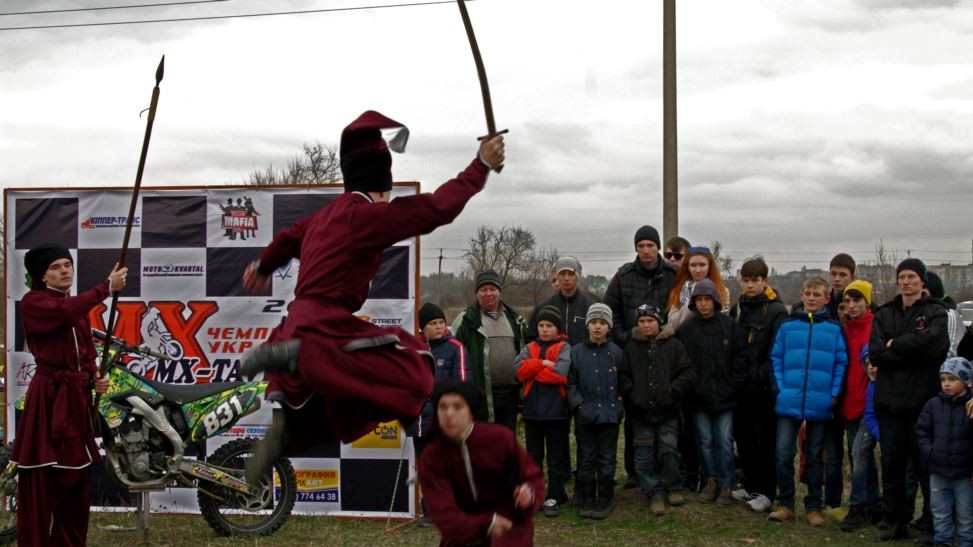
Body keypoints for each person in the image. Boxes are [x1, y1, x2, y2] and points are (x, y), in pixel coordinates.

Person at [240, 111, 505, 480]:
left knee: (342, 403)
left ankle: (287, 433)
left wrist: (264, 266)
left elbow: (287, 239)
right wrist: (480, 167)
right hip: (323, 330)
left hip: (298, 325)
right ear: (382, 187)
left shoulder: (321, 218)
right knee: (416, 367)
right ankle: (303, 358)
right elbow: (435, 209)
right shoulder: (365, 217)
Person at [13, 244, 127, 547]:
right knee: (42, 484)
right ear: (42, 276)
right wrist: (106, 287)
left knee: (76, 482)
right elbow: (63, 313)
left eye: (67, 264)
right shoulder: (34, 302)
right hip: (50, 400)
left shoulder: (75, 308)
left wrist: (95, 376)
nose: (65, 270)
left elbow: (86, 352)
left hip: (77, 401)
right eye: (55, 267)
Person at [869, 258, 950, 541]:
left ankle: (929, 522)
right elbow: (877, 354)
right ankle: (895, 521)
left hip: (922, 403)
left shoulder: (935, 312)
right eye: (902, 276)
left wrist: (897, 344)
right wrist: (913, 349)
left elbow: (935, 347)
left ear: (922, 281)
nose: (906, 282)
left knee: (925, 466)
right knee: (892, 465)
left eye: (911, 276)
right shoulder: (884, 314)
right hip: (889, 403)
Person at [418, 380, 544, 547]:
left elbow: (530, 475)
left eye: (457, 407)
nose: (449, 413)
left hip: (508, 530)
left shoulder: (500, 439)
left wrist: (528, 494)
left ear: (470, 412)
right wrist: (486, 524)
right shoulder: (432, 457)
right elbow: (443, 512)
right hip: (461, 534)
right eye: (442, 407)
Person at [768, 277, 847, 526]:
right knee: (783, 454)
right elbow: (776, 357)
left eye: (817, 294)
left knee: (814, 457)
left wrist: (834, 393)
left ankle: (814, 506)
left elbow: (841, 363)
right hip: (788, 400)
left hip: (820, 402)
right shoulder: (787, 326)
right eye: (808, 294)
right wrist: (780, 389)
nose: (812, 298)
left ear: (826, 298)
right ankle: (785, 503)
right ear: (801, 296)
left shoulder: (834, 329)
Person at [604, 225, 678, 488]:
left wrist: (669, 335)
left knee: (666, 413)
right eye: (641, 246)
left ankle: (668, 472)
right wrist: (626, 339)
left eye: (651, 245)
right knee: (635, 412)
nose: (646, 250)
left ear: (658, 247)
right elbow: (610, 312)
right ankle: (636, 472)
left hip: (665, 353)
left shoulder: (673, 275)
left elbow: (681, 309)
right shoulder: (623, 276)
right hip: (633, 354)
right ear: (636, 248)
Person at [618, 304, 696, 516]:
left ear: (658, 322)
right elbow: (623, 375)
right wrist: (633, 394)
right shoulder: (631, 347)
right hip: (641, 411)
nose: (646, 325)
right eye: (642, 321)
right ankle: (654, 493)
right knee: (644, 455)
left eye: (650, 321)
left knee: (669, 450)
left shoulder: (674, 345)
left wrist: (672, 391)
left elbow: (688, 372)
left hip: (667, 410)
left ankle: (672, 486)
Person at [676, 279, 748, 506]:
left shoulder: (730, 326)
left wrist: (733, 387)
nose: (704, 304)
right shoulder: (687, 330)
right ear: (694, 303)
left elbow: (741, 360)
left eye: (708, 299)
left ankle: (727, 484)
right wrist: (693, 389)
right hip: (699, 398)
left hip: (726, 397)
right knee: (705, 441)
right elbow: (683, 363)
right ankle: (710, 480)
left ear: (715, 301)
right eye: (699, 300)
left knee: (725, 441)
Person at [728, 257, 787, 513]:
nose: (750, 285)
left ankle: (766, 491)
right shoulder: (739, 308)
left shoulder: (776, 311)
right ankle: (750, 485)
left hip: (763, 389)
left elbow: (776, 350)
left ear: (765, 281)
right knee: (744, 440)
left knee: (765, 442)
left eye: (755, 280)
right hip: (741, 387)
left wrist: (758, 376)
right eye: (746, 280)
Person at [413, 302, 472, 526]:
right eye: (432, 323)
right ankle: (430, 510)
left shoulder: (456, 348)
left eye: (441, 322)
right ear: (422, 328)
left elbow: (463, 385)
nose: (439, 327)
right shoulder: (414, 350)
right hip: (420, 421)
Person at [567, 303, 624, 520]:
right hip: (586, 415)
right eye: (593, 322)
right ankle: (587, 495)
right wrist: (578, 405)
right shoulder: (576, 352)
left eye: (602, 323)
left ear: (609, 327)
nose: (598, 327)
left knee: (607, 457)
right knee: (587, 456)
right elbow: (570, 382)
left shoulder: (617, 353)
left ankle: (606, 496)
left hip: (610, 415)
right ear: (587, 325)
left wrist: (619, 405)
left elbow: (624, 381)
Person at [451, 270, 527, 431]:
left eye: (493, 289)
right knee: (483, 440)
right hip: (481, 396)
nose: (488, 294)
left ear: (499, 291)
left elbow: (526, 349)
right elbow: (452, 354)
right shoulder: (465, 320)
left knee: (507, 440)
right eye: (483, 289)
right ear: (477, 293)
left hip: (511, 394)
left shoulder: (515, 318)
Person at [514, 306, 571, 518]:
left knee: (556, 457)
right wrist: (543, 363)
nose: (545, 329)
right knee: (533, 457)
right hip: (532, 412)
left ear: (557, 328)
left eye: (549, 326)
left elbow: (561, 374)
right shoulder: (529, 347)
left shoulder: (564, 347)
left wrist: (532, 370)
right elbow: (518, 370)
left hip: (556, 411)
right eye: (541, 325)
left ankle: (555, 495)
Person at [835, 280, 882, 531]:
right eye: (847, 301)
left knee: (859, 454)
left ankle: (856, 507)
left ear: (867, 301)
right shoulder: (844, 330)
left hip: (870, 403)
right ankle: (874, 505)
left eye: (857, 300)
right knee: (861, 458)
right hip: (849, 401)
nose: (851, 306)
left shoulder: (876, 327)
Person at [915, 357, 973, 547]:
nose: (946, 384)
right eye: (943, 379)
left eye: (952, 379)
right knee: (939, 511)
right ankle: (942, 540)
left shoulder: (970, 407)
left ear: (966, 381)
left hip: (964, 473)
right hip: (938, 470)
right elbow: (921, 430)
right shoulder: (933, 405)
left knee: (966, 513)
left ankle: (966, 541)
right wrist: (930, 451)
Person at [841, 346, 884, 532]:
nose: (871, 367)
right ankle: (859, 506)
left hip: (894, 428)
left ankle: (883, 508)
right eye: (867, 364)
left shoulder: (889, 384)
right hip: (872, 423)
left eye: (875, 363)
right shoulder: (872, 386)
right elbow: (870, 415)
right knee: (858, 452)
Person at [528, 256, 596, 346]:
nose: (566, 278)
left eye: (571, 274)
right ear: (557, 276)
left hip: (582, 355)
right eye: (562, 274)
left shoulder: (591, 307)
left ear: (578, 277)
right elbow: (531, 339)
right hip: (552, 355)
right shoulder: (543, 308)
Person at [664, 246, 731, 334]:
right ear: (687, 267)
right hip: (685, 338)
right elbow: (673, 324)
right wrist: (692, 300)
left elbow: (724, 323)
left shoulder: (721, 291)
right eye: (693, 265)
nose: (698, 270)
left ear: (709, 266)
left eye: (702, 265)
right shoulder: (679, 290)